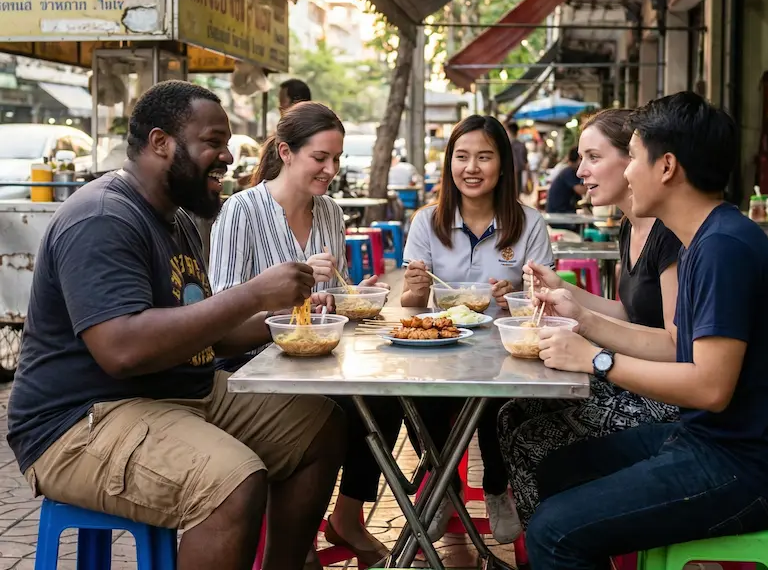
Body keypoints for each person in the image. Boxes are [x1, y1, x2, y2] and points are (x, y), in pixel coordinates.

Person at [6, 81, 346, 570]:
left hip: (176, 392)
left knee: (320, 428)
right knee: (233, 481)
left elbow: (202, 332)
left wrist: (289, 318)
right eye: (213, 142)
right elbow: (122, 350)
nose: (229, 156)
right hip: (80, 420)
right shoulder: (103, 217)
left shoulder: (178, 220)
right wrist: (253, 292)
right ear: (161, 142)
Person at [526, 92, 768, 569]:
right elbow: (675, 347)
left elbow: (710, 387)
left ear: (667, 166)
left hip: (750, 467)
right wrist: (585, 322)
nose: (628, 172)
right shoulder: (705, 238)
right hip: (708, 440)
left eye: (631, 156)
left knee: (553, 530)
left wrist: (596, 360)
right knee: (556, 471)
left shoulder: (723, 249)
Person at [209, 101, 402, 567]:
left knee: (388, 394)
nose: (330, 170)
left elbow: (329, 301)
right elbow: (223, 312)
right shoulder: (243, 211)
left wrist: (353, 298)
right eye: (320, 158)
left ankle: (348, 517)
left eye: (336, 160)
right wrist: (291, 297)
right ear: (286, 152)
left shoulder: (331, 214)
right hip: (250, 362)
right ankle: (292, 541)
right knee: (333, 411)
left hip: (315, 358)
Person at [498, 108, 681, 526]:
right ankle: (545, 539)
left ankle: (560, 534)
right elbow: (628, 313)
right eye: (581, 158)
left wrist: (584, 324)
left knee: (532, 438)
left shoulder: (668, 234)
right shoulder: (629, 227)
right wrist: (562, 290)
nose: (581, 171)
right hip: (635, 371)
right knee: (512, 411)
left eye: (594, 157)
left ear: (634, 160)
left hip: (665, 393)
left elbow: (673, 341)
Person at [401, 115, 554, 545]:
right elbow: (412, 305)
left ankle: (495, 488)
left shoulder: (528, 223)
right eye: (462, 156)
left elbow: (541, 302)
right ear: (449, 164)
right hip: (443, 350)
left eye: (484, 157)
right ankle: (446, 484)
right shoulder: (427, 222)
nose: (472, 167)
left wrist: (516, 298)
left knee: (498, 399)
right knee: (413, 396)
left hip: (506, 350)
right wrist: (413, 289)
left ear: (502, 165)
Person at [545, 147, 585, 214]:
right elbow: (582, 191)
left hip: (563, 210)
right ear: (579, 159)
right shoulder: (568, 172)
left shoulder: (571, 171)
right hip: (558, 212)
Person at [506, 121, 529, 195]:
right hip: (519, 173)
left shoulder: (507, 145)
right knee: (516, 196)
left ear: (509, 131)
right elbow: (525, 162)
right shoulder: (521, 145)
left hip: (510, 174)